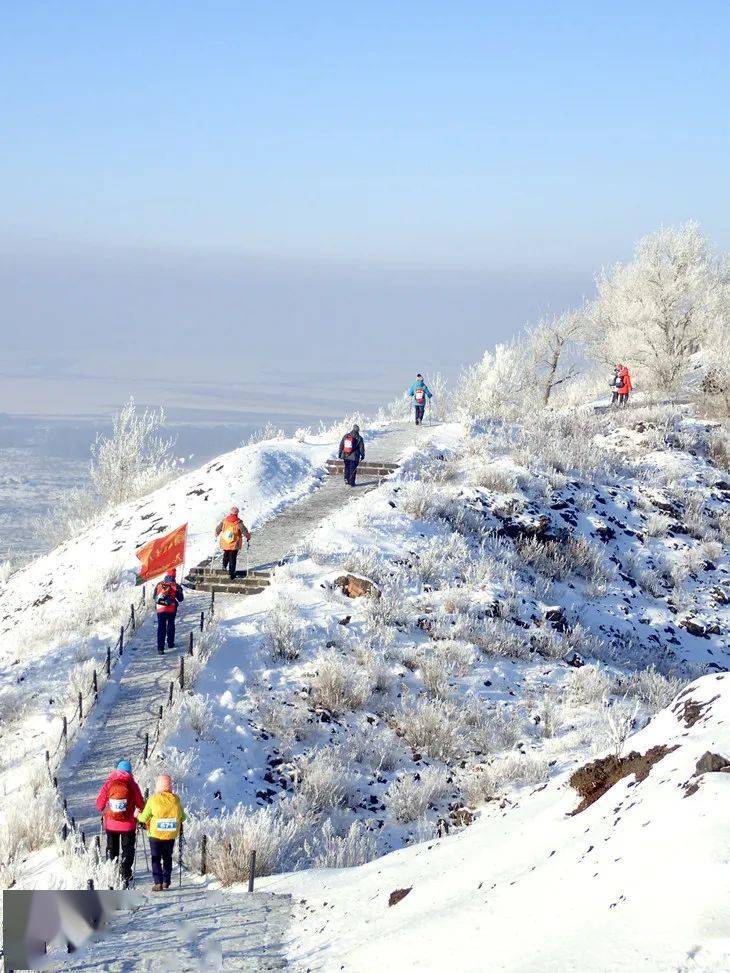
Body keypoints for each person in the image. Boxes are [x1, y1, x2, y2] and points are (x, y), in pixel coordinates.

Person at [95, 759, 144, 888]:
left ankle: (113, 872)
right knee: (127, 849)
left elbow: (99, 804)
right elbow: (141, 804)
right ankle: (126, 873)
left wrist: (105, 811)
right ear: (130, 771)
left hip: (111, 824)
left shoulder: (109, 783)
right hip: (128, 825)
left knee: (112, 848)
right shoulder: (132, 784)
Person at [137, 773, 186, 892]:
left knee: (156, 858)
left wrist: (137, 815)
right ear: (170, 786)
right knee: (167, 858)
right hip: (170, 835)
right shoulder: (176, 799)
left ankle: (157, 882)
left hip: (155, 835)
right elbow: (183, 817)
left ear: (158, 785)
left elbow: (143, 818)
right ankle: (166, 881)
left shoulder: (153, 799)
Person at [215, 506, 252, 580]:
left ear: (230, 513)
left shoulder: (224, 520)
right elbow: (244, 531)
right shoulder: (238, 522)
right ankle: (232, 573)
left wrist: (216, 533)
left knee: (226, 553)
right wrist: (248, 536)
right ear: (237, 513)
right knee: (232, 557)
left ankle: (224, 566)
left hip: (225, 541)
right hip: (234, 542)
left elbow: (218, 529)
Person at [153, 568, 184, 653]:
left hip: (160, 608)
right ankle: (170, 643)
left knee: (161, 627)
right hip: (171, 608)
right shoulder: (175, 585)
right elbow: (181, 599)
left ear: (166, 574)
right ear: (175, 575)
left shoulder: (159, 584)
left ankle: (160, 648)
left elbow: (154, 597)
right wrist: (178, 591)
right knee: (171, 624)